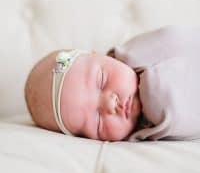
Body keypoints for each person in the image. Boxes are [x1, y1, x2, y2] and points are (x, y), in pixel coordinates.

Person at [24, 25, 200, 142]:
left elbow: (179, 39)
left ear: (102, 56)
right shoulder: (147, 129)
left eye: (101, 80)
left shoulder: (132, 53)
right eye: (97, 121)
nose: (110, 104)